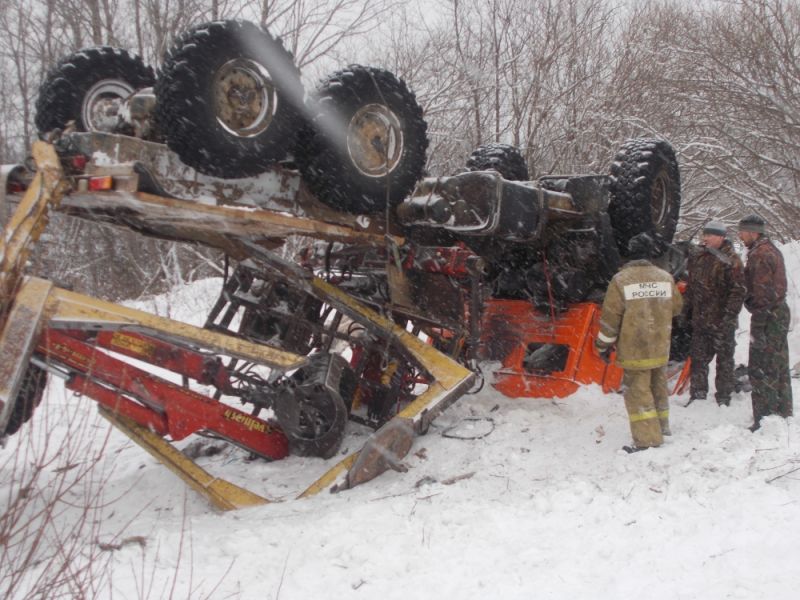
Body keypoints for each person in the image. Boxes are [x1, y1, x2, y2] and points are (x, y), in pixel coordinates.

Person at [594, 233, 683, 452]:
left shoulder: (621, 280)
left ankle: (647, 439)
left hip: (635, 348)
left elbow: (610, 319)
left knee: (638, 391)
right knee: (657, 386)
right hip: (659, 345)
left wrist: (603, 345)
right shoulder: (665, 277)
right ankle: (662, 428)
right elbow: (676, 308)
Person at [737, 214, 793, 430]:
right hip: (777, 312)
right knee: (778, 364)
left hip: (767, 314)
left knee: (762, 366)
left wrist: (758, 326)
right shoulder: (770, 249)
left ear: (753, 232)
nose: (740, 236)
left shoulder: (759, 255)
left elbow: (762, 293)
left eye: (743, 231)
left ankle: (766, 417)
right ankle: (783, 410)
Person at [682, 220, 746, 406]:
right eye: (705, 235)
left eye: (710, 235)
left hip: (721, 321)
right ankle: (698, 395)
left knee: (724, 361)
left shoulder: (731, 260)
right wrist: (686, 311)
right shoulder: (700, 258)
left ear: (721, 237)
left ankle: (723, 397)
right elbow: (692, 287)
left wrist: (729, 316)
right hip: (701, 320)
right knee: (698, 359)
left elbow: (738, 291)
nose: (706, 238)